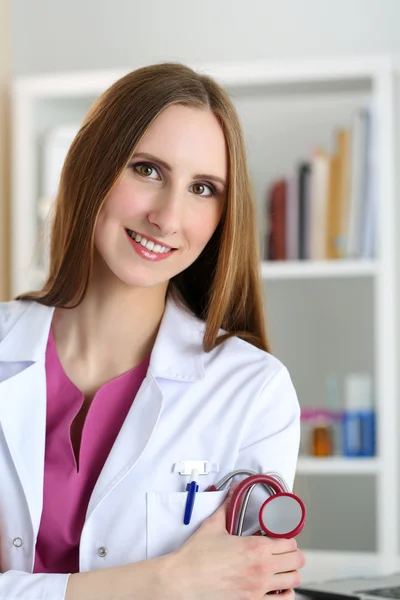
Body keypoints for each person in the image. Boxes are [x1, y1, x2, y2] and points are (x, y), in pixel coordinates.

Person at [0, 62, 305, 599]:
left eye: (203, 188)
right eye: (147, 170)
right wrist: (166, 582)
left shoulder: (254, 391)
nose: (168, 216)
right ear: (92, 166)